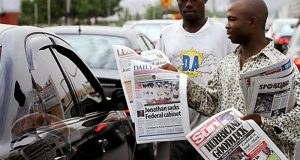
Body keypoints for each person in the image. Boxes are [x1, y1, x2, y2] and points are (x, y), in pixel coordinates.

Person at [161, 0, 300, 159]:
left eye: (232, 19)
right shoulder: (227, 64)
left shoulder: (281, 66)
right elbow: (210, 103)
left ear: (252, 21)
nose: (226, 25)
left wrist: (262, 121)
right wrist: (179, 79)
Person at [156, 0, 235, 159]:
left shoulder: (224, 33)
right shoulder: (167, 33)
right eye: (183, 0)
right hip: (178, 129)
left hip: (213, 129)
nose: (188, 4)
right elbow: (158, 70)